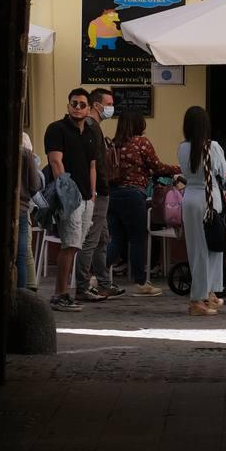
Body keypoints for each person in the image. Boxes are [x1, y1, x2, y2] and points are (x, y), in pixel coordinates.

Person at [107, 110, 180, 296]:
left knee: (117, 239)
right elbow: (157, 167)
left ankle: (93, 274)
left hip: (113, 195)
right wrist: (178, 169)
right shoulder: (141, 142)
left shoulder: (114, 144)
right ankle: (140, 283)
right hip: (133, 195)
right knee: (137, 239)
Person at [43, 88, 98, 313]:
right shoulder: (57, 129)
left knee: (75, 246)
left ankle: (65, 292)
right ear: (68, 106)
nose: (77, 107)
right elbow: (56, 162)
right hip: (70, 197)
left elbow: (93, 165)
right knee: (69, 244)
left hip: (87, 198)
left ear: (89, 108)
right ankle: (60, 294)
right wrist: (67, 193)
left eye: (82, 104)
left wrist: (93, 194)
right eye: (73, 103)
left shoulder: (91, 133)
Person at [178, 106, 226, 316]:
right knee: (212, 248)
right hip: (208, 202)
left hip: (189, 198)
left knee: (197, 250)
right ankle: (198, 300)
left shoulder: (182, 148)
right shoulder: (213, 147)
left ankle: (205, 293)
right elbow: (225, 173)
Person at [74, 88, 124, 302]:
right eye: (109, 103)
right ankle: (83, 286)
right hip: (98, 192)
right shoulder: (92, 128)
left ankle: (104, 283)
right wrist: (96, 189)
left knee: (103, 238)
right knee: (92, 239)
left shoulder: (94, 128)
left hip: (102, 190)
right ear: (96, 105)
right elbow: (94, 164)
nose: (111, 108)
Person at [16, 131, 43, 291]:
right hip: (21, 208)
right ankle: (23, 291)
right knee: (22, 252)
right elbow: (35, 186)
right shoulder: (25, 153)